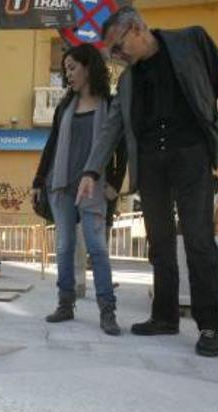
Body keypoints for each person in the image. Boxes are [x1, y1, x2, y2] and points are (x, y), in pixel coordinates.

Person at [79, 6, 218, 356]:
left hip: (192, 155)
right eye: (111, 52)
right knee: (159, 242)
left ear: (138, 28)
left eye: (118, 47)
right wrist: (91, 171)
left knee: (198, 241)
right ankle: (164, 316)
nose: (116, 57)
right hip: (150, 164)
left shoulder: (192, 40)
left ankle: (209, 325)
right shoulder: (127, 80)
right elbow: (112, 127)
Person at [32, 43, 127, 336]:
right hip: (59, 186)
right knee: (64, 248)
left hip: (94, 188)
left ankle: (107, 310)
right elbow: (51, 145)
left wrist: (114, 182)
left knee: (98, 250)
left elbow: (120, 148)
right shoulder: (65, 106)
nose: (68, 74)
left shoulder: (110, 105)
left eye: (72, 67)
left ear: (89, 67)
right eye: (65, 69)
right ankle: (65, 303)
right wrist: (38, 181)